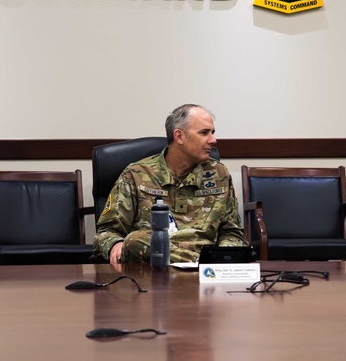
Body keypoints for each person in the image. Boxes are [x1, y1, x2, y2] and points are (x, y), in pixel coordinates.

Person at [94, 104, 247, 264]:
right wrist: (115, 244)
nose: (213, 140)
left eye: (212, 132)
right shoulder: (136, 175)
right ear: (179, 136)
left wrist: (225, 256)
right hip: (154, 265)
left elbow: (232, 232)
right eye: (204, 133)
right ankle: (197, 263)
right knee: (135, 241)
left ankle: (201, 263)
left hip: (208, 269)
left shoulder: (219, 175)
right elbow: (107, 232)